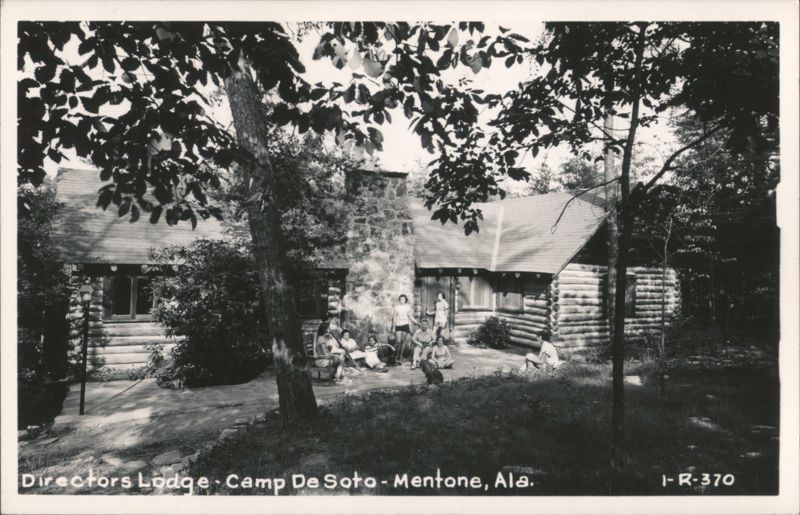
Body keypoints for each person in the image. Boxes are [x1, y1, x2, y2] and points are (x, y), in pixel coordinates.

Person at [391, 294, 419, 363]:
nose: (402, 300)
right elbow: (394, 318)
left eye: (403, 299)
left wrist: (417, 323)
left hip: (405, 325)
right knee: (398, 341)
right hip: (398, 325)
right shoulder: (397, 307)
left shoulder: (408, 307)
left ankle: (401, 356)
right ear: (399, 300)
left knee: (403, 341)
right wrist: (394, 327)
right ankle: (397, 355)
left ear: (405, 300)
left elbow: (410, 317)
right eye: (400, 299)